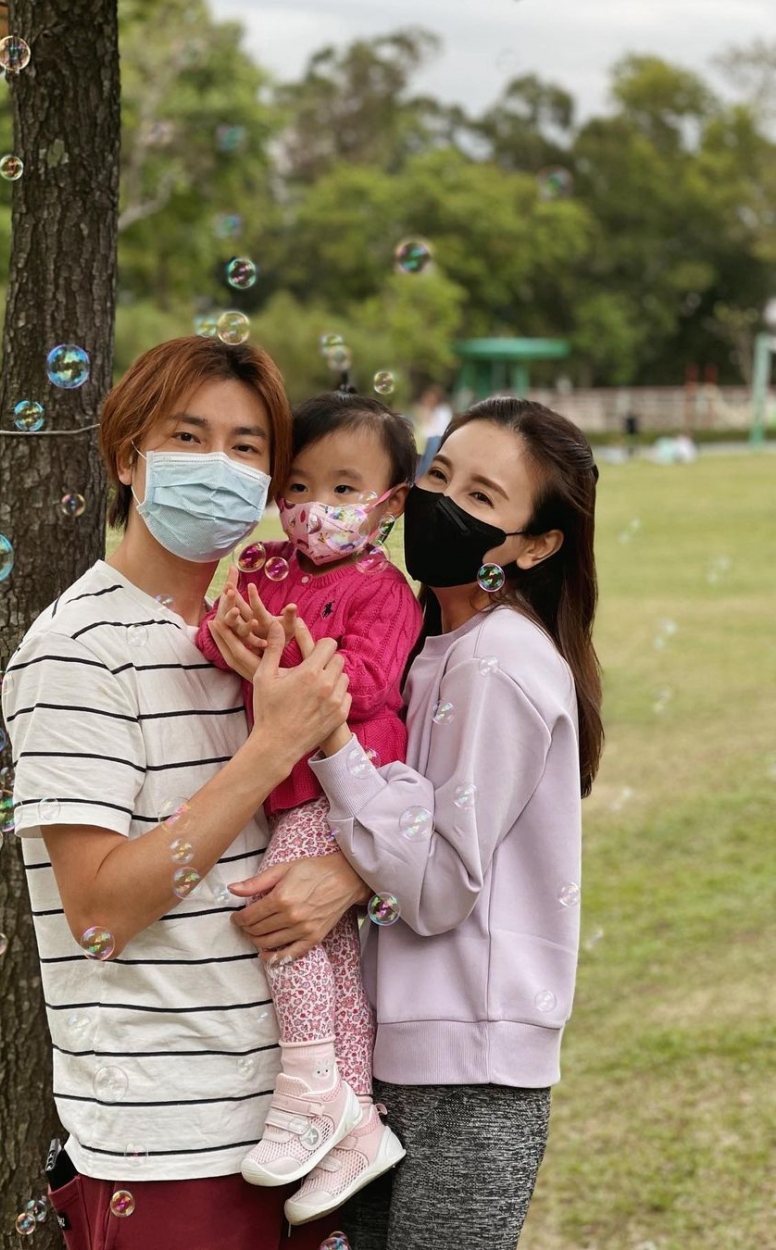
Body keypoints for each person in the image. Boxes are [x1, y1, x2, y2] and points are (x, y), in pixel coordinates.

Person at [1, 336, 369, 1250]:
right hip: (169, 1150)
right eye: (190, 437)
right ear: (128, 456)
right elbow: (97, 913)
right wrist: (272, 746)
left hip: (300, 1133)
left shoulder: (245, 635)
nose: (221, 466)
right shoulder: (73, 652)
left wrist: (351, 873)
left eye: (248, 448)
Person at [213, 396, 603, 1249]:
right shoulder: (428, 644)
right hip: (392, 1055)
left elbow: (434, 888)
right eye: (439, 475)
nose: (444, 506)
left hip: (469, 1069)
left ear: (535, 546)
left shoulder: (499, 662)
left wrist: (326, 734)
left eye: (483, 499)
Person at [195, 393, 422, 1225]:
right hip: (289, 785)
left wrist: (280, 656)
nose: (315, 508)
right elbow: (217, 635)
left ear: (389, 501)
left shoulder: (386, 590)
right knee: (327, 950)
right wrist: (229, 634)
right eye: (298, 485)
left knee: (282, 915)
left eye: (343, 488)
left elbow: (365, 684)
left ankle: (309, 1084)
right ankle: (358, 1120)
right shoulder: (259, 568)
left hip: (348, 782)